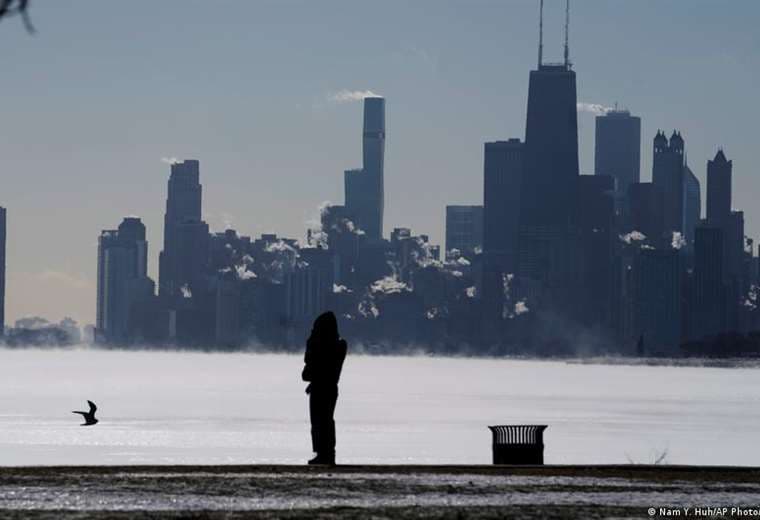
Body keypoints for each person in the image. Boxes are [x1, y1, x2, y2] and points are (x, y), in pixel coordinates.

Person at [302, 311, 347, 465]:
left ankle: (325, 453)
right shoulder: (338, 344)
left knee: (322, 421)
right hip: (326, 387)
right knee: (322, 421)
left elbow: (313, 362)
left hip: (324, 388)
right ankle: (324, 452)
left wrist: (312, 341)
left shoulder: (332, 345)